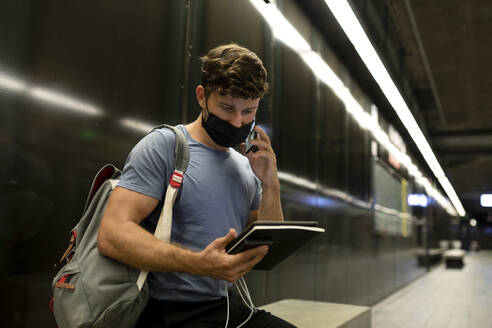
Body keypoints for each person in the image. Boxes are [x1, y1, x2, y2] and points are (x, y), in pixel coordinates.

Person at [97, 43, 295, 327]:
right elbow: (112, 235)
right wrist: (198, 263)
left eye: (248, 111)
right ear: (202, 97)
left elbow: (266, 251)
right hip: (167, 311)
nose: (237, 121)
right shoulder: (164, 147)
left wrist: (270, 184)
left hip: (227, 307)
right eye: (226, 108)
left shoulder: (245, 166)